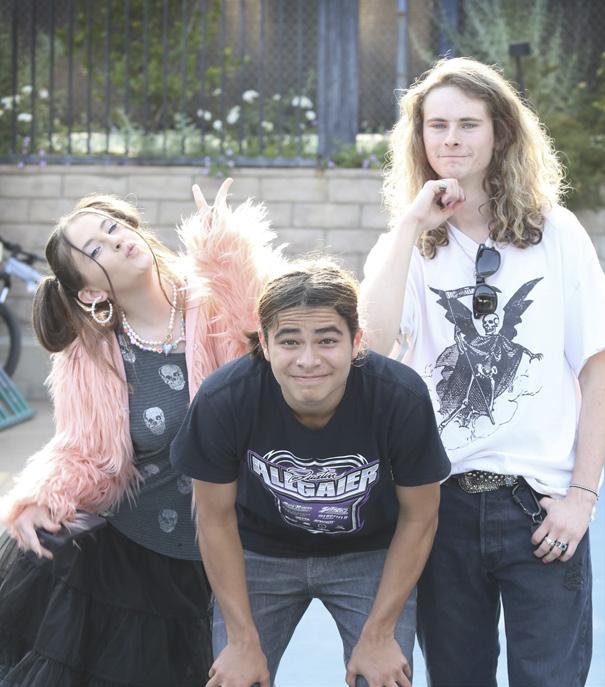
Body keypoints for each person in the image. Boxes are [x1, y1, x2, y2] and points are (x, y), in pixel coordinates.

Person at [360, 56, 605, 687]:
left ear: (501, 133)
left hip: (539, 507)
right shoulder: (410, 243)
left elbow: (596, 370)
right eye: (437, 125)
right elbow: (371, 345)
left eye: (468, 124)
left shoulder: (556, 234)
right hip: (437, 506)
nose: (451, 139)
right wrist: (410, 225)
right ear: (418, 137)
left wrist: (581, 498)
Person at [0, 178, 283, 687]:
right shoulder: (91, 353)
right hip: (133, 558)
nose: (115, 241)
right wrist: (44, 495)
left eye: (113, 227)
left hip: (236, 549)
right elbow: (85, 453)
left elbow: (271, 347)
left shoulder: (217, 302)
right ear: (91, 292)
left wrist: (228, 255)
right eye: (95, 249)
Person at [171, 259, 451, 687]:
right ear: (265, 343)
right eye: (289, 341)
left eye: (327, 340)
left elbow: (420, 516)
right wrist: (242, 641)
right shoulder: (224, 398)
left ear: (356, 341)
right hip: (260, 551)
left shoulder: (400, 396)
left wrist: (379, 635)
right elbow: (213, 519)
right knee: (236, 678)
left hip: (368, 551)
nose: (308, 359)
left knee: (382, 678)